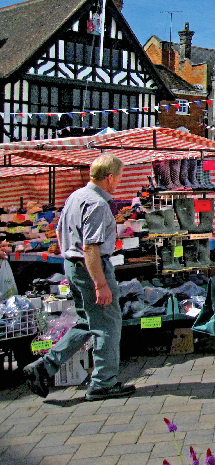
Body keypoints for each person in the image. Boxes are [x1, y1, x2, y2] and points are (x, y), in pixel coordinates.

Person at [23, 154, 136, 401]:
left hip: (72, 265)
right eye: (119, 177)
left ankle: (45, 366)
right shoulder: (97, 204)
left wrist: (69, 256)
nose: (119, 182)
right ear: (109, 178)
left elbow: (59, 230)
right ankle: (103, 383)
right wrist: (100, 283)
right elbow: (91, 248)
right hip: (90, 267)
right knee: (107, 324)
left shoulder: (75, 196)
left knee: (87, 322)